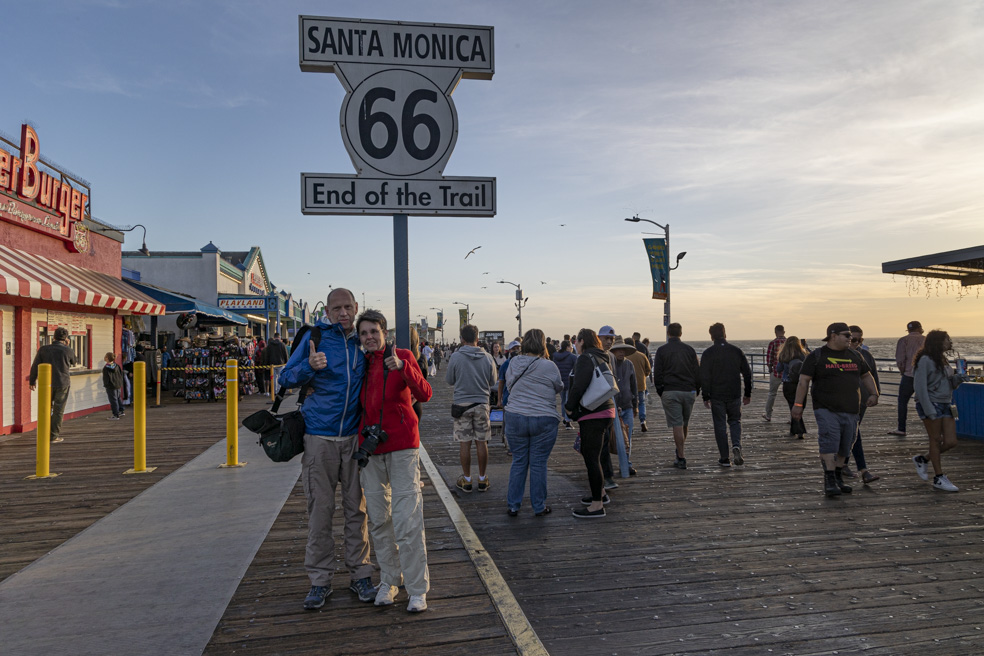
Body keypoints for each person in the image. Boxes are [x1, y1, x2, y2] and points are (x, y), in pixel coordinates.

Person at [277, 288, 375, 611]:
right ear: (328, 311)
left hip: (352, 440)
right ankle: (319, 581)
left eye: (348, 307)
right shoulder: (315, 336)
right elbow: (285, 376)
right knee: (320, 513)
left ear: (356, 307)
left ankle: (360, 574)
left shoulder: (363, 342)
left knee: (356, 512)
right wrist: (309, 366)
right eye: (337, 308)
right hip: (319, 440)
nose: (343, 313)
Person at [356, 310, 433, 612]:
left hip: (402, 446)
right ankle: (389, 580)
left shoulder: (401, 355)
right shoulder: (360, 363)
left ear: (384, 332)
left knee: (407, 518)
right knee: (379, 520)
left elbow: (425, 394)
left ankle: (417, 589)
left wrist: (404, 368)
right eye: (364, 333)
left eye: (374, 331)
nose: (369, 337)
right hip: (370, 449)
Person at [791, 322, 879, 497]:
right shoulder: (816, 356)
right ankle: (829, 480)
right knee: (829, 441)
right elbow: (803, 381)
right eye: (847, 335)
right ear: (833, 336)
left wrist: (874, 394)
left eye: (852, 337)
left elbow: (866, 375)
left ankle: (838, 477)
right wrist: (798, 405)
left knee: (846, 446)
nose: (851, 339)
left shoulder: (855, 356)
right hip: (826, 408)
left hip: (852, 409)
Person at [504, 329, 563, 516]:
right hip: (543, 418)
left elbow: (508, 385)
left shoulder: (513, 362)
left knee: (519, 461)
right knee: (538, 463)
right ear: (542, 344)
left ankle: (514, 505)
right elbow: (558, 387)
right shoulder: (550, 366)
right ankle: (539, 506)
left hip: (515, 416)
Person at [565, 328, 616, 518]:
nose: (575, 345)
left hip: (593, 412)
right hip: (606, 409)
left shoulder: (586, 358)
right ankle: (600, 494)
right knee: (595, 456)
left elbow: (579, 386)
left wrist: (569, 408)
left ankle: (596, 506)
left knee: (591, 458)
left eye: (576, 341)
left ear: (582, 341)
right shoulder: (603, 356)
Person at [911, 330, 967, 492]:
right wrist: (929, 410)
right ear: (938, 342)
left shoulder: (942, 360)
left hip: (946, 403)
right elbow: (920, 387)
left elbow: (948, 383)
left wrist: (958, 379)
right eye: (946, 340)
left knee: (951, 441)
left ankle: (923, 459)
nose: (949, 342)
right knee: (935, 439)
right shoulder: (925, 360)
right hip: (931, 403)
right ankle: (939, 477)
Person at [445, 324, 498, 493]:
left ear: (461, 338)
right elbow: (493, 381)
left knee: (465, 443)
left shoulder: (456, 357)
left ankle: (467, 479)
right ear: (477, 339)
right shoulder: (488, 357)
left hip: (462, 406)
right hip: (482, 404)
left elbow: (449, 380)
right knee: (482, 442)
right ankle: (482, 479)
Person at [700, 323, 752, 467]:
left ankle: (724, 458)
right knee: (735, 421)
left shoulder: (708, 353)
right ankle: (736, 445)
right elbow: (747, 373)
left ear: (711, 336)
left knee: (720, 425)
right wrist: (747, 393)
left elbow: (704, 376)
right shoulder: (736, 351)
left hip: (717, 395)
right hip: (734, 393)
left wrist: (705, 396)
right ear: (725, 333)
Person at [652, 322, 701, 469]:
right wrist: (697, 389)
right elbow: (697, 371)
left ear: (668, 333)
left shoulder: (661, 350)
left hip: (670, 390)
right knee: (684, 424)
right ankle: (680, 451)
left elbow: (657, 373)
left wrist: (660, 390)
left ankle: (681, 456)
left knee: (677, 425)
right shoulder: (690, 350)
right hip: (688, 391)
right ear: (681, 333)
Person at [29, 327, 78, 443]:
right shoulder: (67, 350)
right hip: (62, 383)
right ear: (66, 338)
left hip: (46, 384)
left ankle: (43, 433)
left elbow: (35, 365)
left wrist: (32, 381)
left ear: (53, 337)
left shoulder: (43, 349)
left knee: (45, 408)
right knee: (58, 410)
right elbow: (74, 362)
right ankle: (53, 435)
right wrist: (68, 346)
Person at [847, 325, 880, 484]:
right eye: (852, 339)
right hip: (844, 401)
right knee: (853, 432)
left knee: (852, 432)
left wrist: (875, 393)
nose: (855, 342)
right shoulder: (839, 355)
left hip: (862, 400)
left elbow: (872, 375)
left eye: (859, 340)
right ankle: (863, 469)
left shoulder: (865, 355)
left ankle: (844, 464)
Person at [890, 320, 925, 436]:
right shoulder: (926, 340)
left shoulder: (903, 340)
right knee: (926, 401)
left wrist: (903, 372)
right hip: (925, 376)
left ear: (908, 330)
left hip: (909, 375)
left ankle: (901, 428)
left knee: (902, 402)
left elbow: (900, 360)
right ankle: (932, 428)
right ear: (920, 328)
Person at [611, 338, 639, 476]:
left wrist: (636, 405)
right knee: (612, 437)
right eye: (618, 349)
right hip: (613, 407)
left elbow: (634, 385)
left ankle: (626, 464)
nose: (621, 352)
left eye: (623, 350)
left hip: (628, 405)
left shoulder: (629, 364)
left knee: (628, 436)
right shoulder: (609, 364)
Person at [776, 336, 809, 439]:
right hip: (801, 384)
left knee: (792, 406)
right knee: (800, 406)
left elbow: (778, 369)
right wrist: (806, 347)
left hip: (788, 384)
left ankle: (797, 430)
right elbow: (811, 362)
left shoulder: (784, 355)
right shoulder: (803, 355)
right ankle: (796, 430)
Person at [624, 337, 652, 432]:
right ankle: (642, 421)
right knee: (641, 403)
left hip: (627, 385)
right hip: (640, 384)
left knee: (629, 405)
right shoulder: (642, 355)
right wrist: (644, 376)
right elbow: (648, 369)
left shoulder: (624, 357)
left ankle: (628, 424)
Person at [551, 339, 578, 429]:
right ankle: (567, 421)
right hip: (569, 382)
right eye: (570, 346)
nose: (571, 348)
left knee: (563, 401)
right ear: (567, 347)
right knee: (568, 401)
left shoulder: (556, 357)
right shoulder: (573, 357)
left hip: (560, 381)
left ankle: (564, 418)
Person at [762, 325, 786, 422]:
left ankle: (768, 415)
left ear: (775, 332)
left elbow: (769, 358)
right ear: (784, 332)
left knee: (772, 394)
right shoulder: (789, 342)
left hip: (776, 372)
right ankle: (793, 417)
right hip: (788, 373)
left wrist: (770, 368)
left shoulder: (773, 343)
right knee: (791, 395)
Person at [101, 352, 125, 420]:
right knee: (118, 398)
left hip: (111, 385)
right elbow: (120, 374)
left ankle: (115, 415)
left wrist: (106, 384)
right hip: (118, 384)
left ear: (107, 358)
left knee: (113, 400)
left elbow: (106, 378)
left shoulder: (106, 368)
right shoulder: (117, 365)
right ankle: (121, 410)